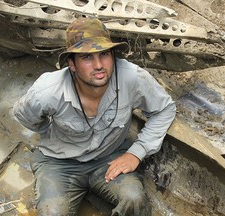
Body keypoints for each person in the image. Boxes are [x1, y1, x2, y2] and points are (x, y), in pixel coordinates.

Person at [13, 17, 176, 216]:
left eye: (104, 54)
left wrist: (137, 152)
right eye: (87, 57)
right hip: (59, 163)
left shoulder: (132, 77)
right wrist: (49, 133)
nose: (99, 65)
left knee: (134, 200)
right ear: (71, 63)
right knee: (51, 212)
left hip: (109, 158)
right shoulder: (47, 91)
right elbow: (25, 115)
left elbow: (164, 109)